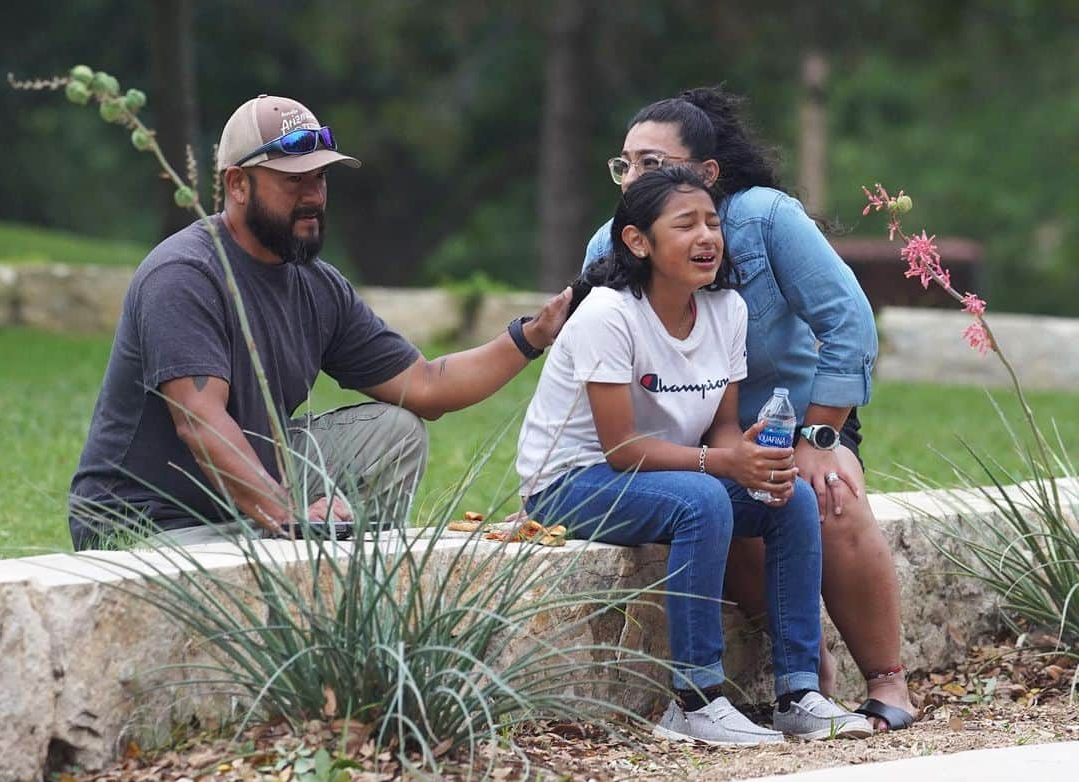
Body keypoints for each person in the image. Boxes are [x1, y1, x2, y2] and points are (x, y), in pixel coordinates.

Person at [68, 94, 570, 550]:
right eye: (293, 181)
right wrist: (291, 517)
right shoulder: (184, 274)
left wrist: (531, 336)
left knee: (395, 431)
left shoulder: (317, 286)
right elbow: (201, 423)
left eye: (320, 178)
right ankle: (302, 563)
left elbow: (424, 386)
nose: (313, 196)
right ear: (237, 184)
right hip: (147, 522)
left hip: (245, 505)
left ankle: (344, 601)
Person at [581, 86, 916, 732]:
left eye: (652, 164)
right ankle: (807, 674)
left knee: (827, 495)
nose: (633, 179)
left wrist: (818, 439)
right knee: (722, 511)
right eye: (625, 164)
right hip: (685, 438)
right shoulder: (612, 244)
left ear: (707, 174)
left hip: (800, 418)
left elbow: (848, 323)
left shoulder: (764, 220)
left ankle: (888, 678)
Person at [517, 167, 872, 744]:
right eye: (685, 224)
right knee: (704, 501)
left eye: (712, 222)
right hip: (569, 482)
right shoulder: (608, 314)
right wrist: (724, 465)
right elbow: (622, 448)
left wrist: (755, 459)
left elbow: (724, 429)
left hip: (665, 476)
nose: (707, 236)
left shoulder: (726, 310)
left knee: (790, 499)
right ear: (638, 241)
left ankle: (800, 694)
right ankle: (696, 701)